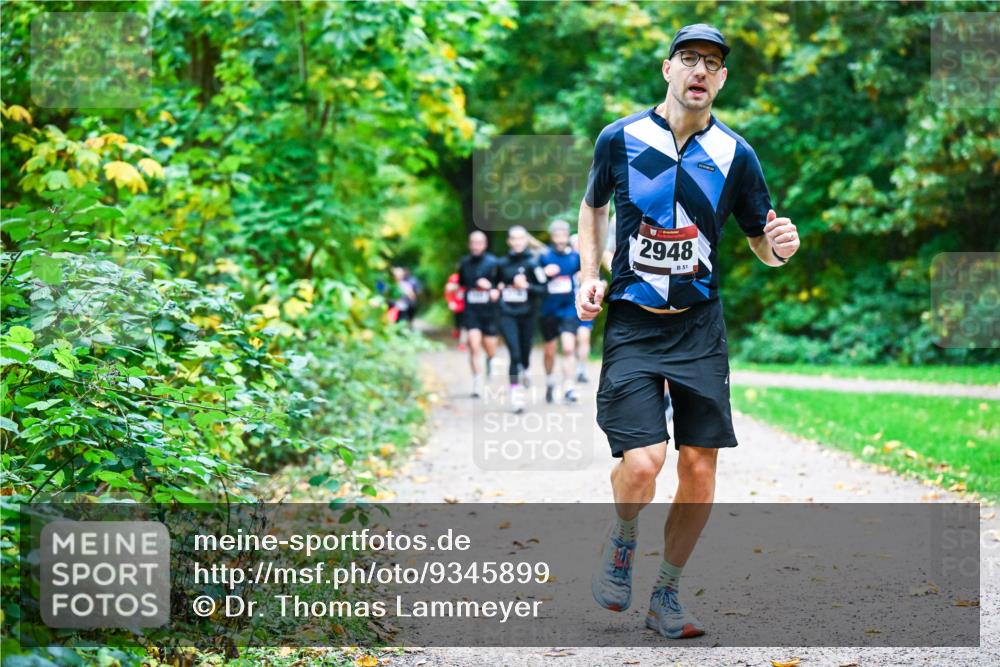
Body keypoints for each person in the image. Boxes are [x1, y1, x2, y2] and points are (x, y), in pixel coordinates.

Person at [576, 24, 800, 639]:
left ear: (722, 80)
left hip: (700, 327)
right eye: (690, 59)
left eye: (712, 63)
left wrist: (780, 249)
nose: (700, 70)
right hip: (633, 323)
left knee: (700, 468)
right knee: (644, 463)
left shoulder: (737, 154)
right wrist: (586, 274)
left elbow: (761, 238)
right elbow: (593, 206)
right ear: (668, 69)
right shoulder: (620, 139)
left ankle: (667, 595)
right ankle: (622, 540)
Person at [497, 225, 546, 414]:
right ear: (509, 241)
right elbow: (495, 286)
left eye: (521, 238)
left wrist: (527, 286)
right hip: (507, 313)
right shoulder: (501, 264)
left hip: (528, 314)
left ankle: (525, 369)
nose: (517, 242)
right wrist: (496, 290)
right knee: (514, 353)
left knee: (524, 353)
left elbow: (544, 289)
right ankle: (517, 397)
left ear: (526, 241)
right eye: (514, 239)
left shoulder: (534, 263)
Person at [539, 220, 582, 404]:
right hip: (548, 309)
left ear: (567, 236)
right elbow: (533, 280)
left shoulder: (575, 257)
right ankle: (549, 382)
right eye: (557, 235)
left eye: (563, 235)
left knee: (568, 348)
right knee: (549, 351)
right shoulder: (544, 256)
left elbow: (588, 275)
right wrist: (543, 273)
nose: (560, 239)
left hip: (568, 309)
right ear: (552, 237)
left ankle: (569, 387)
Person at [457, 231, 501, 398]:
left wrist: (490, 288)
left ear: (485, 244)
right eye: (473, 242)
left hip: (489, 312)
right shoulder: (464, 263)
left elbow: (500, 285)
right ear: (470, 244)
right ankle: (477, 381)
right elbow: (461, 283)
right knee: (474, 346)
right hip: (471, 311)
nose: (476, 246)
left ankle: (491, 360)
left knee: (490, 349)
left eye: (479, 243)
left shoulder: (493, 263)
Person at [444, 272, 467, 351]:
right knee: (458, 325)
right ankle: (457, 331)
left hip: (468, 307)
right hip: (457, 306)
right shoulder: (454, 277)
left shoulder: (472, 275)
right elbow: (448, 289)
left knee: (465, 326)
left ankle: (462, 344)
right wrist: (450, 301)